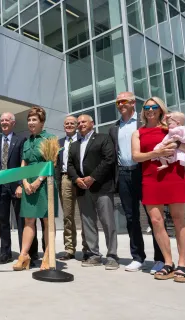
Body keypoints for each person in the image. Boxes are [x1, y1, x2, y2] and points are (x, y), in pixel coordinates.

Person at [132, 97, 185, 283]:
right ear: (143, 111)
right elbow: (136, 156)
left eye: (154, 107)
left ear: (161, 110)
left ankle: (183, 264)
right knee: (156, 221)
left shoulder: (171, 127)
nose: (150, 110)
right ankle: (167, 263)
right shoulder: (138, 133)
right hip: (150, 178)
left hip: (174, 177)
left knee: (179, 220)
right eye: (147, 107)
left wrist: (177, 144)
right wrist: (156, 154)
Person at [109, 92, 163, 273]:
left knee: (153, 218)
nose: (120, 104)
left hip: (144, 172)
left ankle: (160, 259)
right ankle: (138, 257)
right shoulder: (114, 127)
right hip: (124, 174)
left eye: (124, 101)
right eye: (118, 102)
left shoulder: (142, 123)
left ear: (133, 103)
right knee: (131, 218)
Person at [67, 114, 119, 270]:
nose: (81, 124)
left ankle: (112, 255)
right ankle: (94, 254)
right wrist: (77, 179)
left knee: (107, 221)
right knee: (88, 223)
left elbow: (109, 159)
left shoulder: (103, 138)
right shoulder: (74, 145)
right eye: (79, 122)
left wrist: (93, 177)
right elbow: (69, 165)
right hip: (83, 188)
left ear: (92, 123)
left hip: (101, 187)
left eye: (84, 121)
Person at [13, 107, 56, 271]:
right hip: (28, 184)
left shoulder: (50, 138)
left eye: (34, 120)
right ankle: (24, 256)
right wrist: (24, 181)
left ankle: (47, 255)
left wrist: (38, 181)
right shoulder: (26, 141)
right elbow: (23, 163)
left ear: (42, 122)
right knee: (28, 220)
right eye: (29, 120)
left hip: (45, 183)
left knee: (47, 221)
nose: (31, 123)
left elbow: (50, 162)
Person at [0, 112, 29, 264]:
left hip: (16, 186)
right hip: (0, 187)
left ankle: (24, 252)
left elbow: (22, 164)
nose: (4, 122)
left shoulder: (21, 140)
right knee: (3, 221)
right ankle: (5, 253)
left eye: (7, 120)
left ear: (13, 123)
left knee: (21, 221)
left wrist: (20, 184)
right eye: (2, 120)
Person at [55, 116, 81, 261]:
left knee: (85, 215)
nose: (69, 125)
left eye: (72, 123)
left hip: (81, 179)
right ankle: (70, 248)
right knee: (68, 216)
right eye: (66, 123)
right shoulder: (59, 143)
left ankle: (88, 248)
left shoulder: (82, 140)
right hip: (65, 179)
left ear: (77, 126)